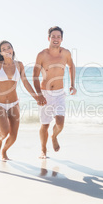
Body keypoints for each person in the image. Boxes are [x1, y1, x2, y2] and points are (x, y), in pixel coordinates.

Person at [33, 26, 77, 159]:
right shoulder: (41, 55)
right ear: (49, 38)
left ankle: (54, 136)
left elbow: (71, 66)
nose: (56, 39)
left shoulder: (66, 53)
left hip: (59, 93)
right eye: (53, 36)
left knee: (60, 123)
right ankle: (43, 150)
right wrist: (39, 95)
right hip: (45, 94)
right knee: (45, 125)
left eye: (58, 37)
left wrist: (72, 85)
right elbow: (35, 76)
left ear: (62, 39)